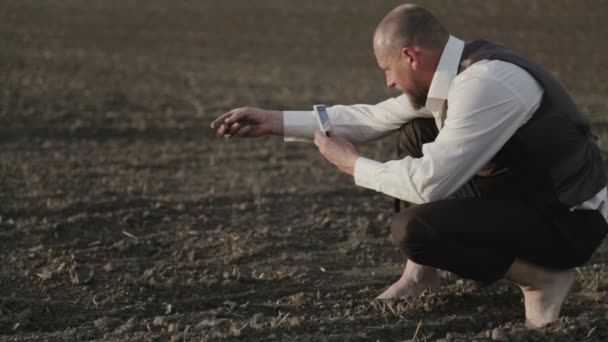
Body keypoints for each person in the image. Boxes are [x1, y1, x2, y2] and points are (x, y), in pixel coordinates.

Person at [210, 4, 608, 329]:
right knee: (415, 126)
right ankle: (420, 277)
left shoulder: (487, 82)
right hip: (525, 197)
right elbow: (371, 118)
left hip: (567, 220)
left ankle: (543, 280)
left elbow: (428, 185)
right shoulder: (456, 74)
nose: (388, 81)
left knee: (414, 229)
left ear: (410, 56)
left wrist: (353, 165)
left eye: (387, 69)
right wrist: (272, 120)